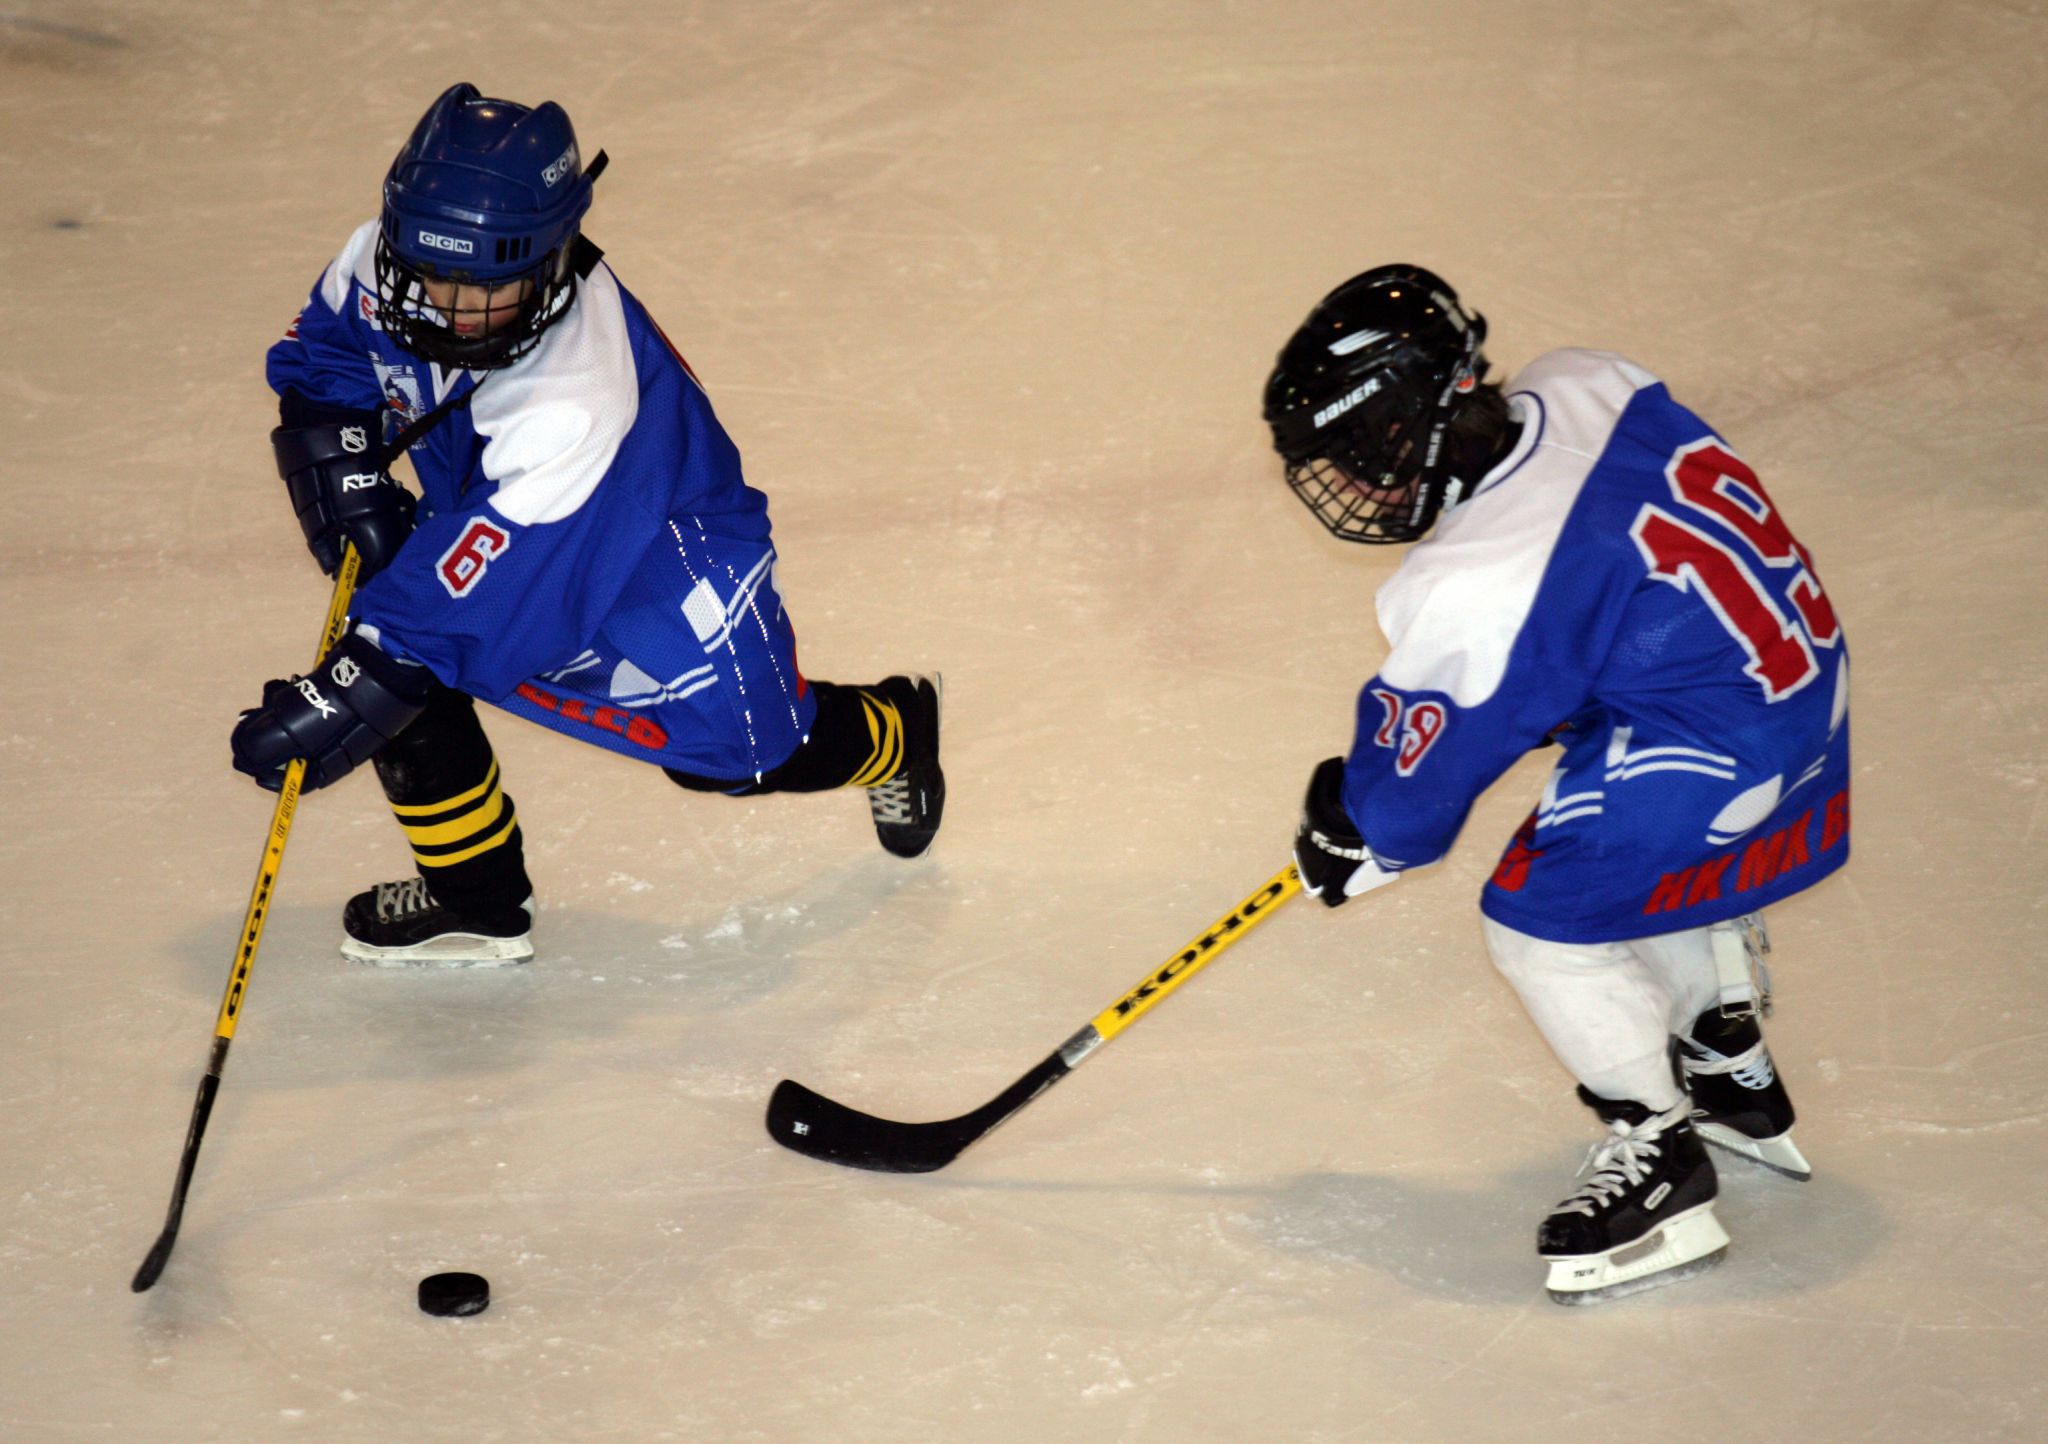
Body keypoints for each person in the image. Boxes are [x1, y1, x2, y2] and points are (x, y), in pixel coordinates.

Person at [229, 84, 943, 967]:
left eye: (482, 289)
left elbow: (450, 615)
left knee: (744, 751)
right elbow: (329, 352)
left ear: (551, 259)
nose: (447, 307)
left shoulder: (575, 400)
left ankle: (899, 730)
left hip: (656, 540)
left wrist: (347, 695)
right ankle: (475, 899)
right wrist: (338, 474)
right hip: (513, 501)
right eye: (432, 276)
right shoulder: (387, 261)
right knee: (395, 625)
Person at [1264, 265, 1849, 1304]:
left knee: (1540, 917)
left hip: (1714, 744)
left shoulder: (1477, 577)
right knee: (1615, 861)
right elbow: (1606, 576)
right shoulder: (1587, 382)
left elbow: (1406, 808)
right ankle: (1721, 1060)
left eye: (1363, 449)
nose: (1355, 480)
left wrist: (1354, 827)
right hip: (1783, 676)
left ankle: (1657, 1150)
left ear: (1424, 416)